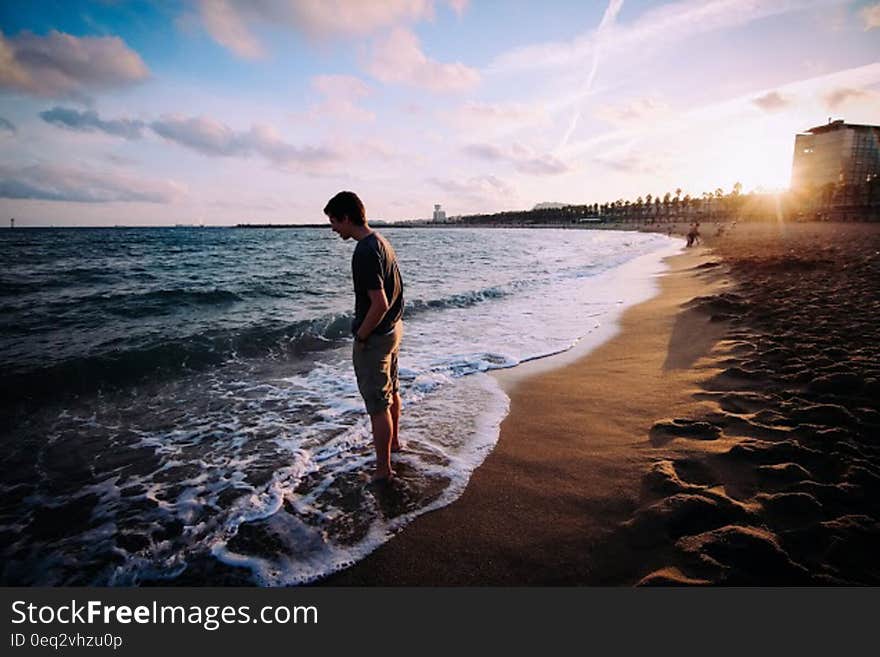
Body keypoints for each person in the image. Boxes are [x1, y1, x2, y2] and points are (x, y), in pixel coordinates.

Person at [324, 191, 404, 482]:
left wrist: (361, 335)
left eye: (334, 221)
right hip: (394, 329)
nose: (333, 228)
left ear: (346, 217)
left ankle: (383, 470)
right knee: (392, 391)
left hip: (377, 336)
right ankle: (394, 445)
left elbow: (379, 302)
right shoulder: (382, 242)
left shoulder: (364, 251)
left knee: (377, 405)